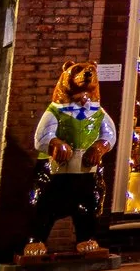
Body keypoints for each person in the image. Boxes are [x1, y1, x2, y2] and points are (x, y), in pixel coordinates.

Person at [25, 62, 116, 258]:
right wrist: (55, 144)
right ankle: (37, 238)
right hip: (55, 170)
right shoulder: (56, 111)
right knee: (45, 203)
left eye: (90, 71)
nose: (87, 75)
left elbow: (109, 134)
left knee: (89, 204)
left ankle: (85, 237)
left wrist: (100, 147)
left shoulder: (98, 113)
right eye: (78, 71)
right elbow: (41, 137)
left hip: (86, 170)